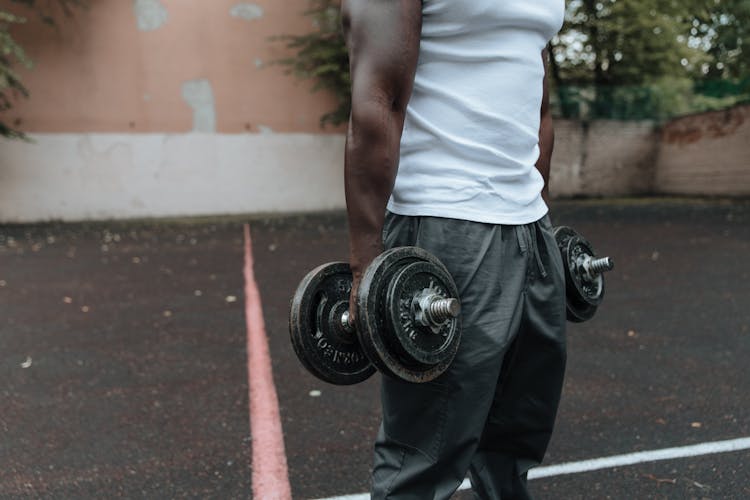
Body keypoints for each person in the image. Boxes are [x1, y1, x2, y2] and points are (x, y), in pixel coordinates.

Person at [342, 0, 567, 498]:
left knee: (516, 433)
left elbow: (538, 103)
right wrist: (366, 265)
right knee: (426, 453)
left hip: (529, 222)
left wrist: (540, 223)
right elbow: (375, 101)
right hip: (443, 221)